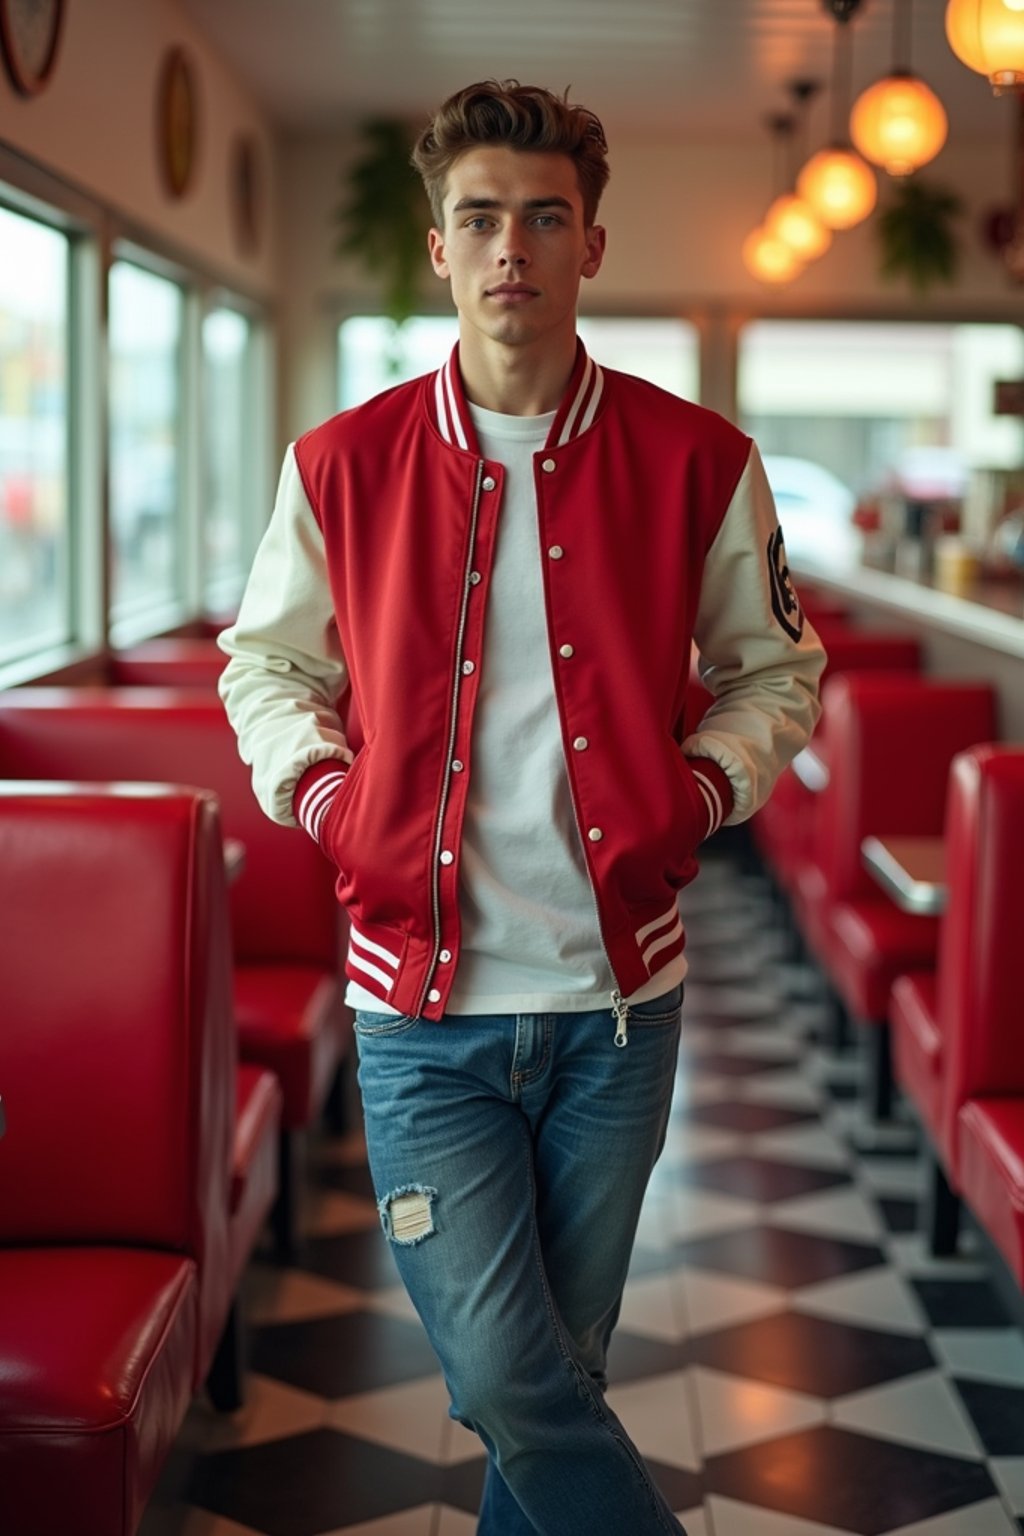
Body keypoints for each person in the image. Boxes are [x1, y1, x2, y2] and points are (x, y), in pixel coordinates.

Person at [218, 79, 826, 1536]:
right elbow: (265, 665)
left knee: (559, 1375)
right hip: (420, 1020)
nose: (512, 247)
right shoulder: (340, 465)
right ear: (440, 247)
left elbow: (779, 671)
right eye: (480, 217)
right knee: (508, 1376)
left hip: (623, 1006)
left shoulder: (700, 463)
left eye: (542, 217)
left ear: (589, 245)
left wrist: (697, 790)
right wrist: (324, 794)